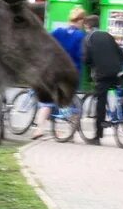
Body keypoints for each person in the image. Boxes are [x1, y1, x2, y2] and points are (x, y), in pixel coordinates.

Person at [31, 7, 86, 139]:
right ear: (81, 20)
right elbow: (81, 55)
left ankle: (39, 129)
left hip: (56, 70)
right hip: (72, 72)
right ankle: (71, 133)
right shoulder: (81, 36)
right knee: (71, 101)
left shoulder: (59, 31)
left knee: (47, 103)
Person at [83, 14, 123, 146]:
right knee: (121, 93)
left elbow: (87, 59)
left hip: (102, 74)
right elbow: (121, 53)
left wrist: (91, 66)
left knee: (100, 101)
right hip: (117, 71)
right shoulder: (108, 35)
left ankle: (97, 136)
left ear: (87, 26)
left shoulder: (89, 37)